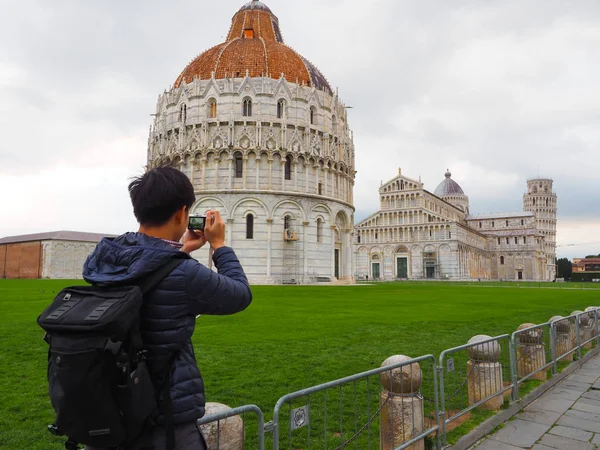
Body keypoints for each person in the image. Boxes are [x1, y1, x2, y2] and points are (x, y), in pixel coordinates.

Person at [82, 166, 252, 450]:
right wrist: (219, 246)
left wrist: (180, 250)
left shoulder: (105, 256)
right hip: (163, 418)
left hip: (109, 406)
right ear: (182, 213)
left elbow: (144, 271)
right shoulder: (183, 274)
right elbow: (239, 294)